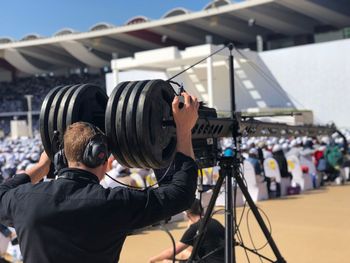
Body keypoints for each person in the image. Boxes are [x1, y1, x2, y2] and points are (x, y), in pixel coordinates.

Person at [0, 92, 199, 263]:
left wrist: (41, 167)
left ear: (61, 157)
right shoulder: (115, 203)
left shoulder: (23, 200)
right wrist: (183, 130)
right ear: (101, 157)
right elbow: (181, 194)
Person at [149, 199, 224, 263]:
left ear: (187, 214)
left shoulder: (195, 228)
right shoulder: (214, 222)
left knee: (166, 261)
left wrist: (152, 260)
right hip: (226, 260)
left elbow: (172, 252)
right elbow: (191, 250)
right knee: (185, 253)